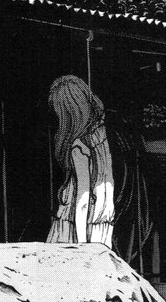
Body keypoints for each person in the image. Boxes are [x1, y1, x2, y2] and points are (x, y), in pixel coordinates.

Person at [45, 75, 116, 247]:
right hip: (101, 223)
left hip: (73, 230)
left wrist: (81, 247)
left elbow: (82, 200)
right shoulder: (101, 137)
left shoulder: (79, 147)